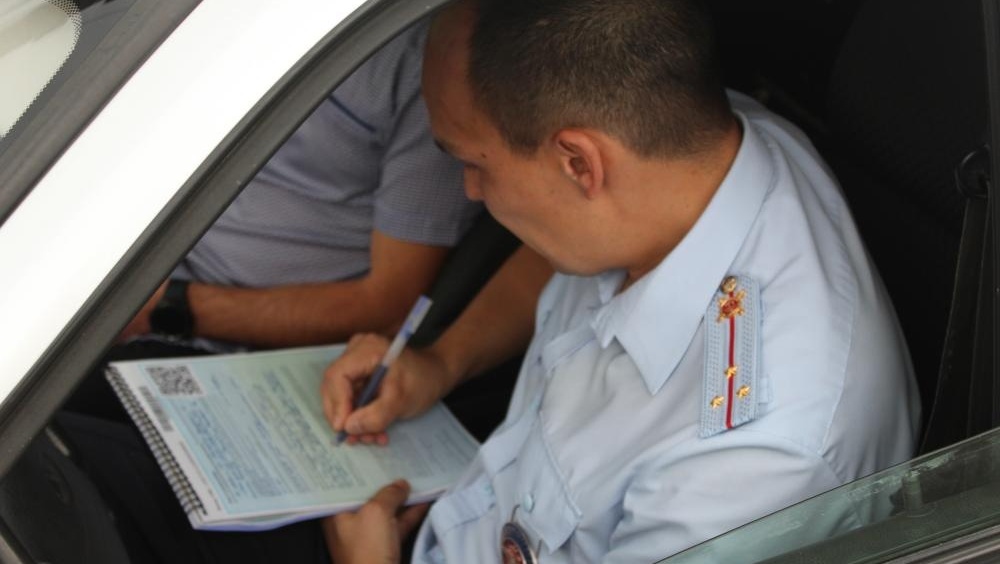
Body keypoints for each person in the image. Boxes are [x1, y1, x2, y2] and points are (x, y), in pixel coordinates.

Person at [320, 0, 921, 562]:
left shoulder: (750, 464)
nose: (469, 191)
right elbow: (557, 251)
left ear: (580, 163)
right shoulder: (690, 153)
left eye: (475, 163)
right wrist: (442, 363)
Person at [120, 17, 482, 351]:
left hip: (203, 335)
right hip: (123, 243)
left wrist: (169, 307)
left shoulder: (426, 62)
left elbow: (387, 305)